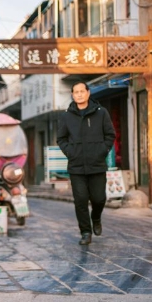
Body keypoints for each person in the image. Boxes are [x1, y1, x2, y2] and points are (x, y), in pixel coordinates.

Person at [57, 81, 116, 246]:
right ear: (72, 95)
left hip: (97, 164)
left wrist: (101, 151)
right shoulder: (67, 116)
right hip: (76, 167)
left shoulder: (101, 113)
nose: (79, 94)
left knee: (99, 198)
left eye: (82, 91)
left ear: (88, 93)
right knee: (80, 200)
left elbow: (110, 135)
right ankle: (85, 232)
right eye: (76, 92)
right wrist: (71, 152)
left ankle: (96, 217)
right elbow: (61, 139)